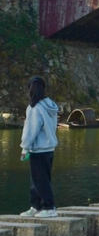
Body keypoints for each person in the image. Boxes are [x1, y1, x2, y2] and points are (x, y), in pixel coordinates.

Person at [19, 75, 59, 218]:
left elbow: (30, 130)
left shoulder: (34, 108)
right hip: (49, 149)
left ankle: (49, 207)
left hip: (39, 149)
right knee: (39, 180)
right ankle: (36, 206)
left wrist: (25, 147)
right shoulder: (50, 106)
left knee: (40, 181)